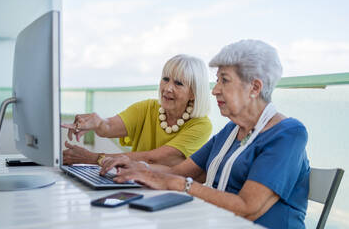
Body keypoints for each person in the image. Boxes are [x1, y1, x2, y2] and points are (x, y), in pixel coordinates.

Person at [100, 40, 310, 229]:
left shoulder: (288, 134)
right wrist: (139, 168)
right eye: (217, 80)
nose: (215, 90)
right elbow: (179, 171)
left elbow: (247, 207)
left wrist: (178, 185)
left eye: (224, 81)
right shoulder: (231, 132)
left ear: (254, 87)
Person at [62, 54, 212, 167]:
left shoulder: (201, 126)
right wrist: (96, 122)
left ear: (193, 93)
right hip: (134, 183)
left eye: (178, 83)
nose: (167, 88)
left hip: (170, 195)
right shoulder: (147, 108)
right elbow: (108, 127)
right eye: (165, 79)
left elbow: (153, 158)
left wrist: (93, 158)